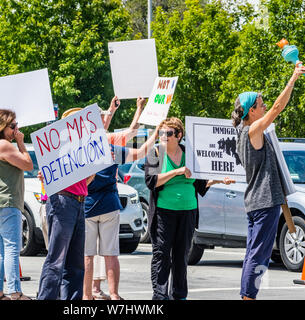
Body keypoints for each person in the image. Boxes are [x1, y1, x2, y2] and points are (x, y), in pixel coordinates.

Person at [231, 62, 305, 300]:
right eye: (260, 105)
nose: (264, 108)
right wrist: (293, 78)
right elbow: (277, 108)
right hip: (264, 202)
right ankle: (248, 296)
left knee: (254, 253)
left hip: (257, 202)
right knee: (259, 255)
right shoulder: (252, 130)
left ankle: (247, 295)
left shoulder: (243, 133)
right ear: (251, 111)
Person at [144, 117, 234, 300]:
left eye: (168, 133)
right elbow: (151, 181)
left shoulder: (191, 154)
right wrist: (177, 171)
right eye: (161, 133)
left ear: (179, 135)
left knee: (181, 255)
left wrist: (219, 179)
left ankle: (179, 295)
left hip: (188, 211)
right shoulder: (155, 153)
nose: (164, 136)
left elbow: (201, 185)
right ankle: (160, 297)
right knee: (162, 255)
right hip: (164, 212)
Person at [82, 97, 158, 300]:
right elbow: (140, 151)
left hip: (87, 206)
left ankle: (87, 295)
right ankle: (114, 294)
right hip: (109, 205)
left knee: (88, 254)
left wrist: (113, 110)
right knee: (111, 254)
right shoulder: (110, 149)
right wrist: (156, 135)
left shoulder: (80, 149)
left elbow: (126, 130)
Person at [36, 108, 96, 300]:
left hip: (78, 202)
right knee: (57, 259)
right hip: (63, 201)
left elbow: (89, 178)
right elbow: (46, 176)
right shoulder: (57, 147)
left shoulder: (83, 149)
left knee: (75, 262)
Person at [0, 109, 34, 300]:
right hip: (6, 202)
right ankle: (15, 292)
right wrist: (21, 143)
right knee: (12, 248)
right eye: (12, 126)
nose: (16, 129)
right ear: (1, 126)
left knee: (1, 249)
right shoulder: (4, 145)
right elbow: (28, 165)